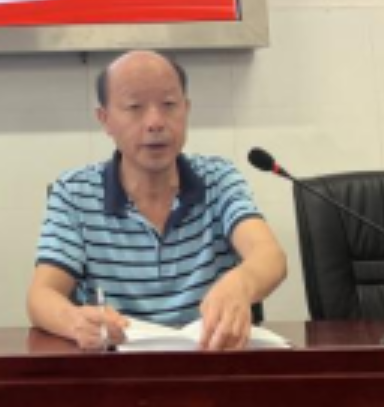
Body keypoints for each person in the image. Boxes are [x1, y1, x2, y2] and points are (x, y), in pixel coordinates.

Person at [27, 49, 286, 351]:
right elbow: (40, 295)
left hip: (209, 362)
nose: (155, 122)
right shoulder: (74, 193)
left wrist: (240, 284)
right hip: (116, 368)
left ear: (186, 109)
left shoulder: (219, 179)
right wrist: (74, 321)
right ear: (105, 119)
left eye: (169, 105)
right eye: (135, 107)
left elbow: (270, 256)